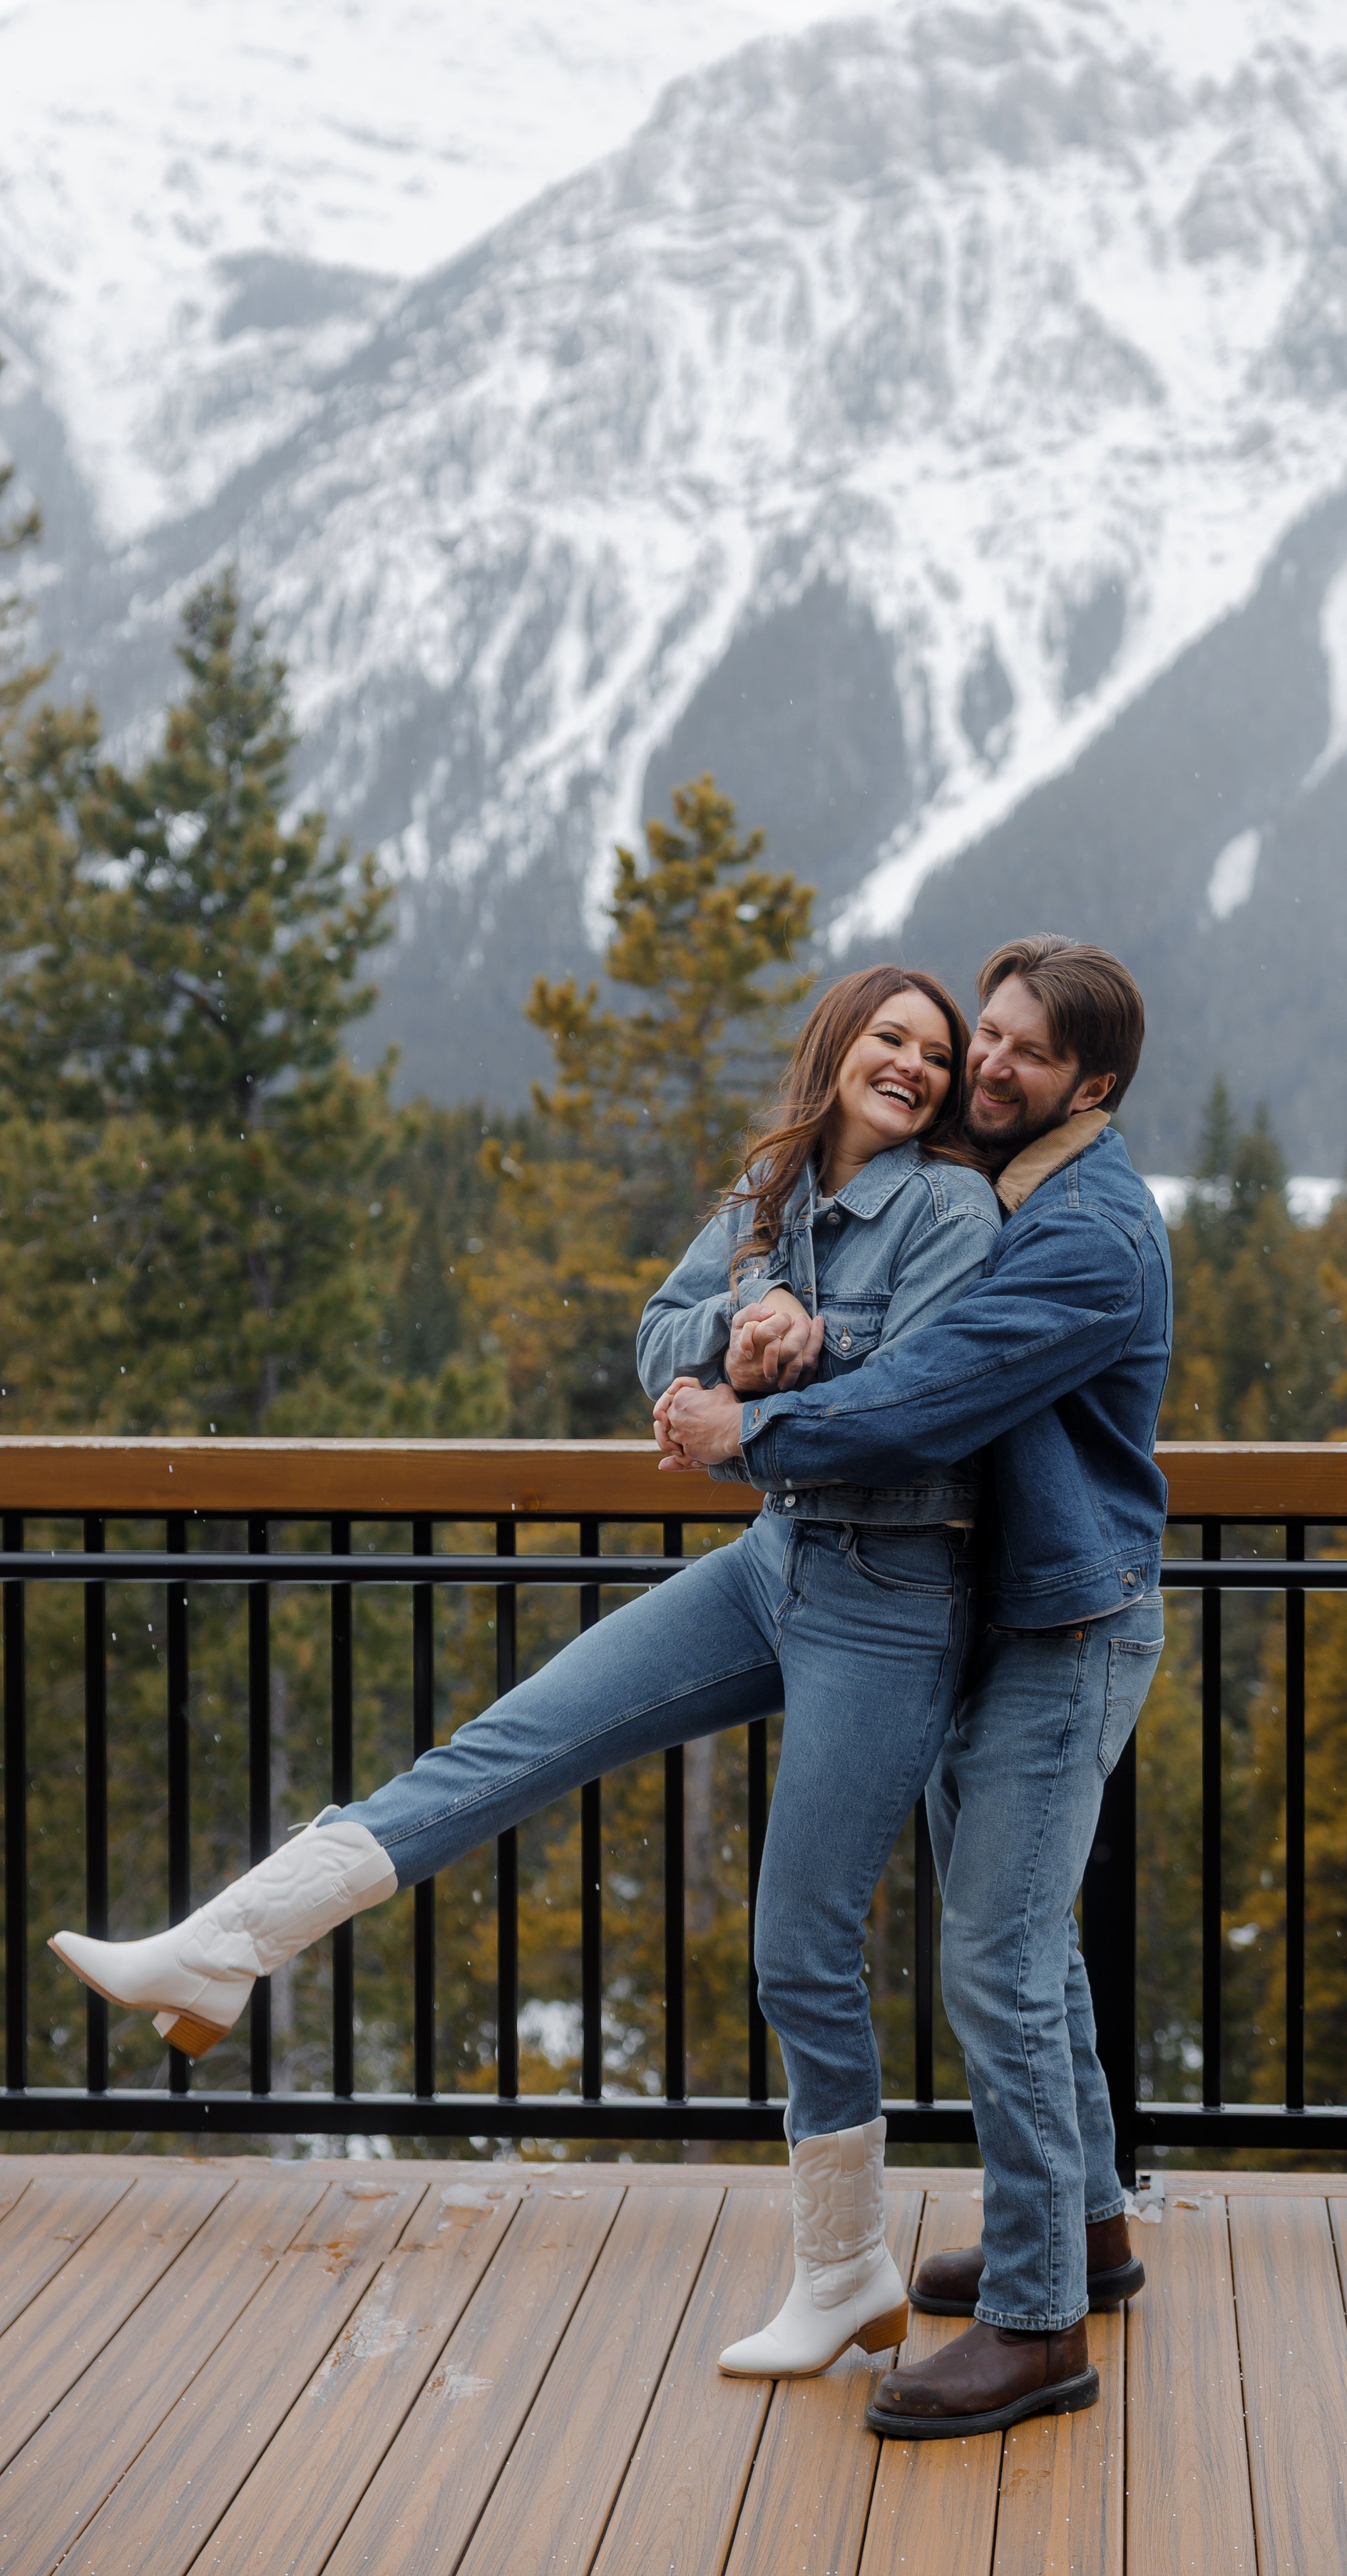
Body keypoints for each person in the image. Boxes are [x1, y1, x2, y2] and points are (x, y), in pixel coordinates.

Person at [50, 964, 1004, 2381]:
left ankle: (843, 2269)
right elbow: (657, 1336)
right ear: (836, 1043)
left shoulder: (949, 1208)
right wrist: (715, 1358)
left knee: (800, 1941)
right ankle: (227, 1948)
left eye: (935, 1054)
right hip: (774, 1563)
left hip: (890, 1595)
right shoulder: (769, 1189)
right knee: (505, 1743)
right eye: (890, 1038)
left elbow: (924, 1404)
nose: (915, 1068)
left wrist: (798, 1359)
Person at [657, 933, 1173, 2441]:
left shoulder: (1088, 1234)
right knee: (1032, 1947)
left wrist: (748, 1431)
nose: (988, 1067)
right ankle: (1078, 2231)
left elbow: (925, 1392)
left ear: (1096, 1084)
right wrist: (765, 1331)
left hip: (1066, 1626)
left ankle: (1035, 2329)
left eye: (1023, 1052)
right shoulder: (1009, 1185)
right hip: (999, 1607)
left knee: (997, 1962)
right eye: (985, 1038)